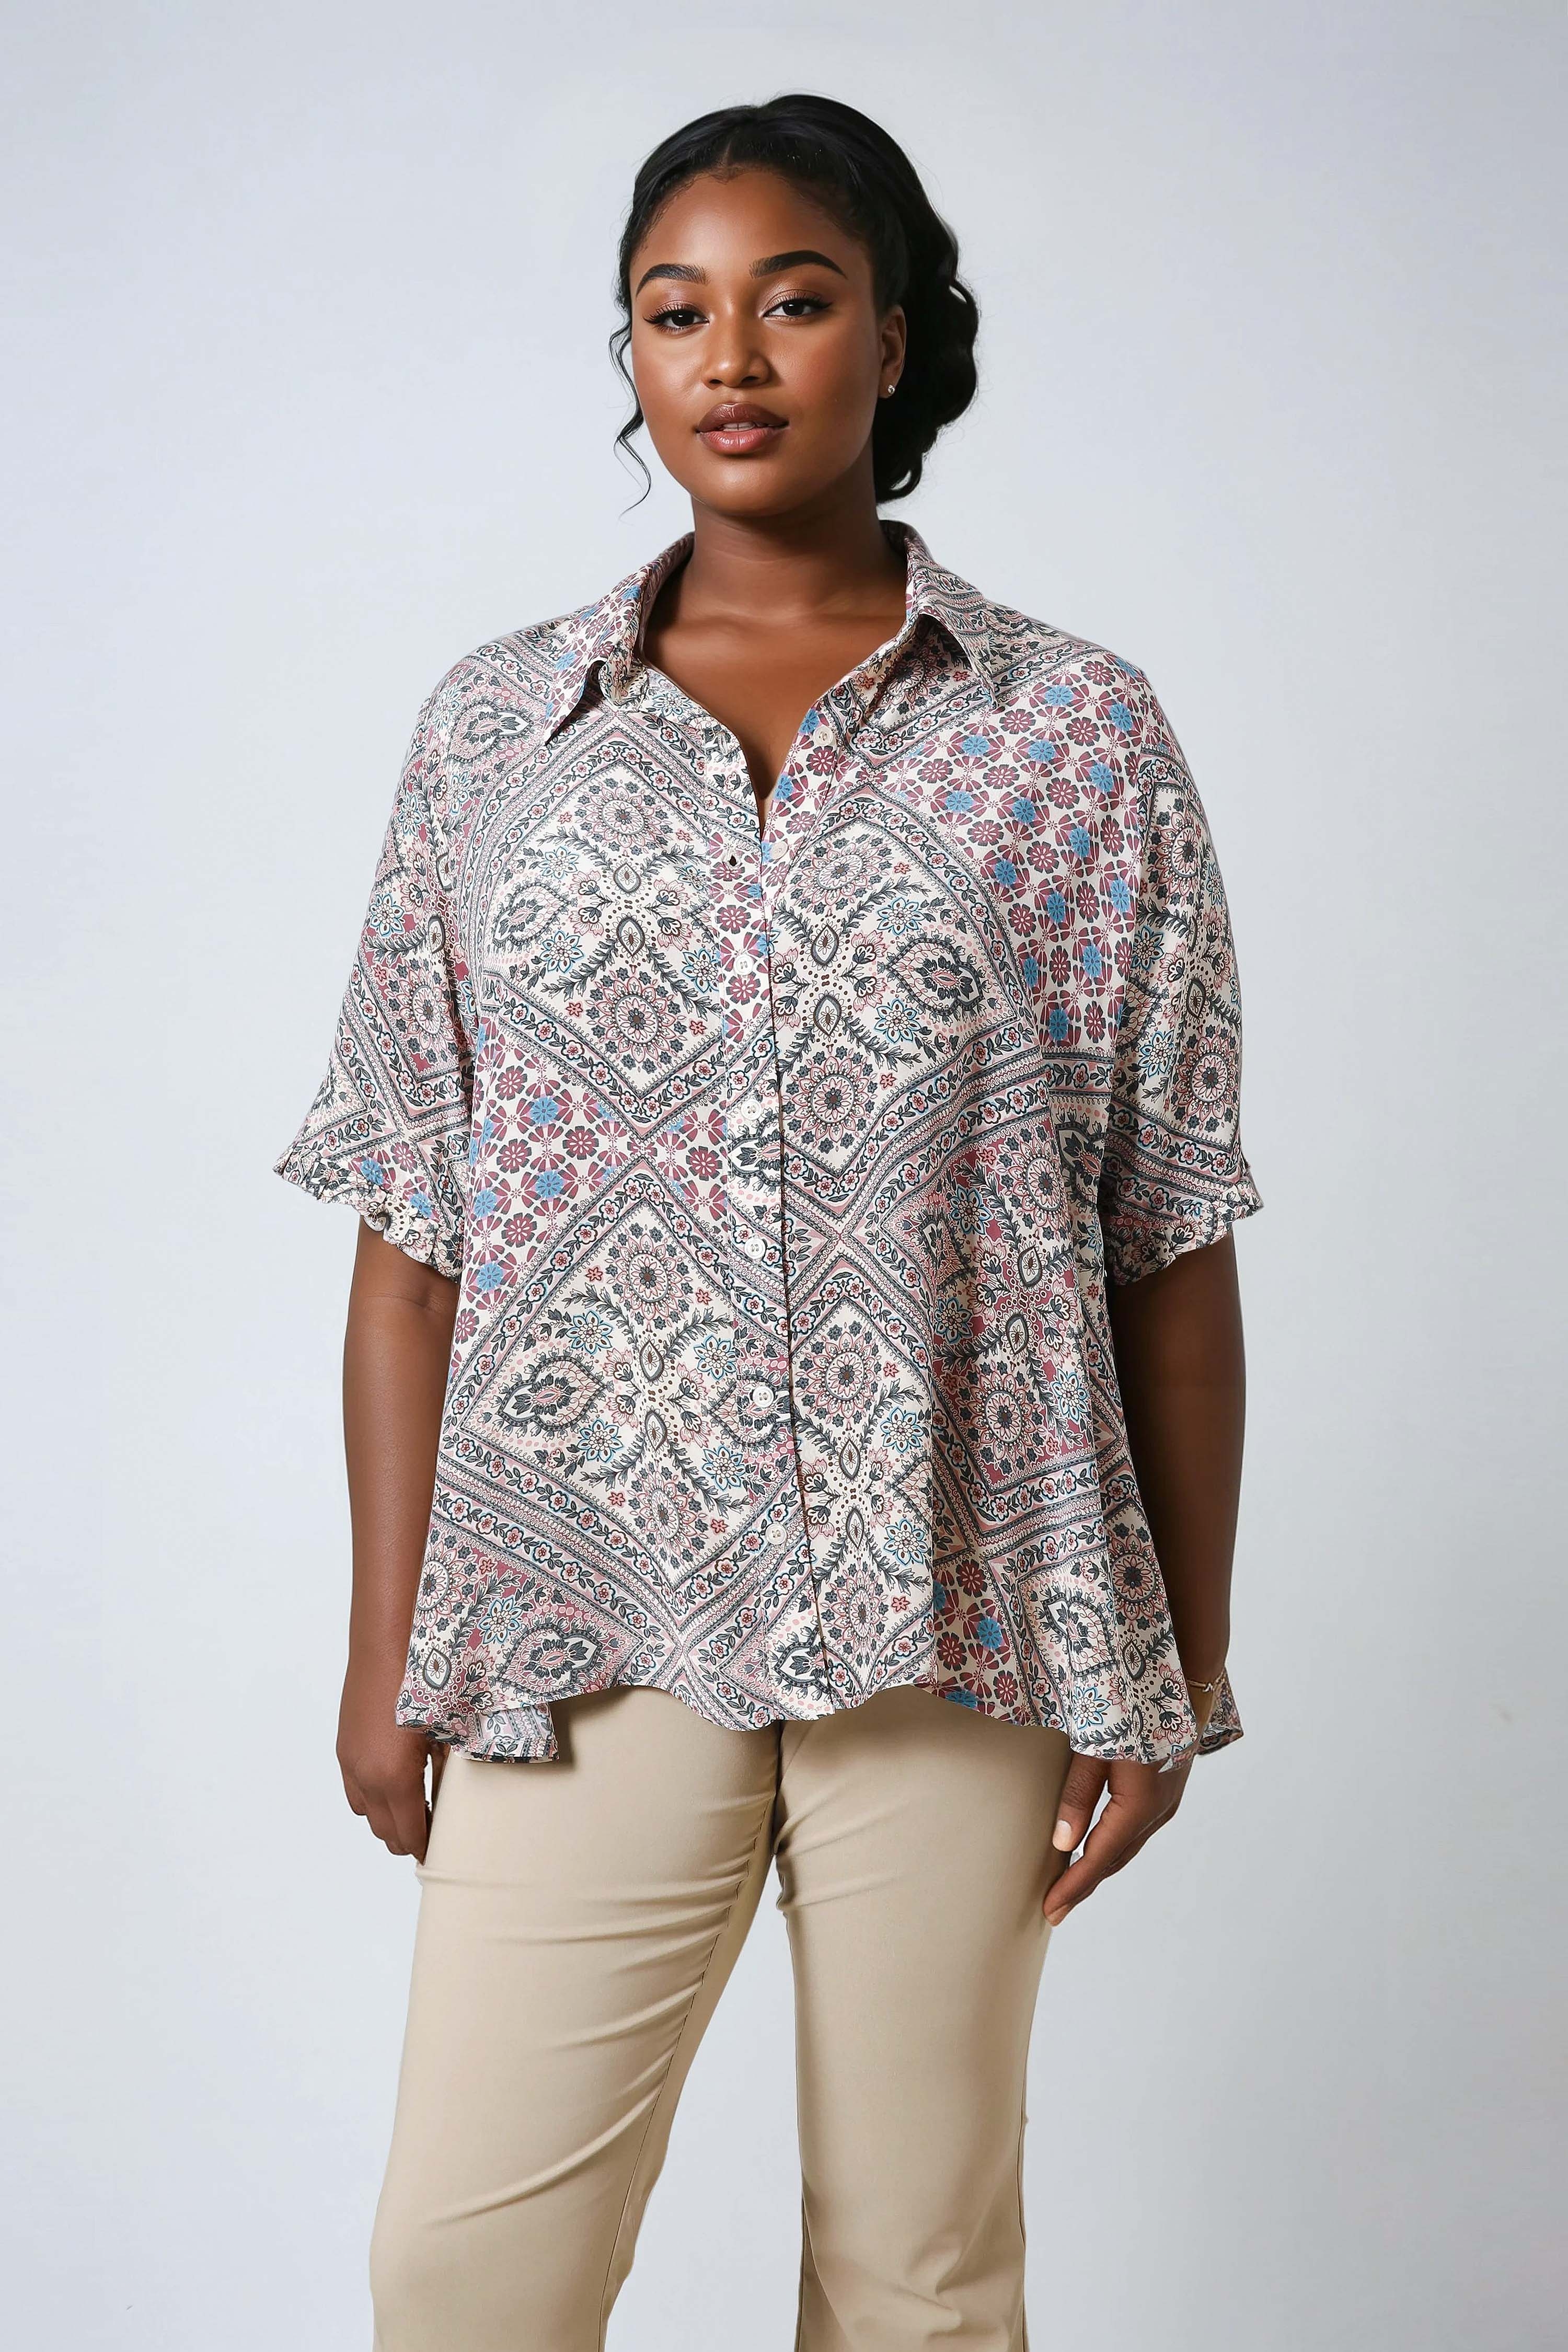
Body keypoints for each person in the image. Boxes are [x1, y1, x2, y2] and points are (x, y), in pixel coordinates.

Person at [275, 91, 1262, 2352]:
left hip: (964, 1610)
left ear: (892, 344)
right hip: (577, 1613)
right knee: (463, 2274)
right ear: (629, 352)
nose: (730, 358)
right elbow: (411, 1237)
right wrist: (379, 1648)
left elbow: (1170, 1236)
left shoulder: (1075, 739)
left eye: (794, 302)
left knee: (922, 2281)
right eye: (674, 310)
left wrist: (1176, 1668)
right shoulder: (495, 735)